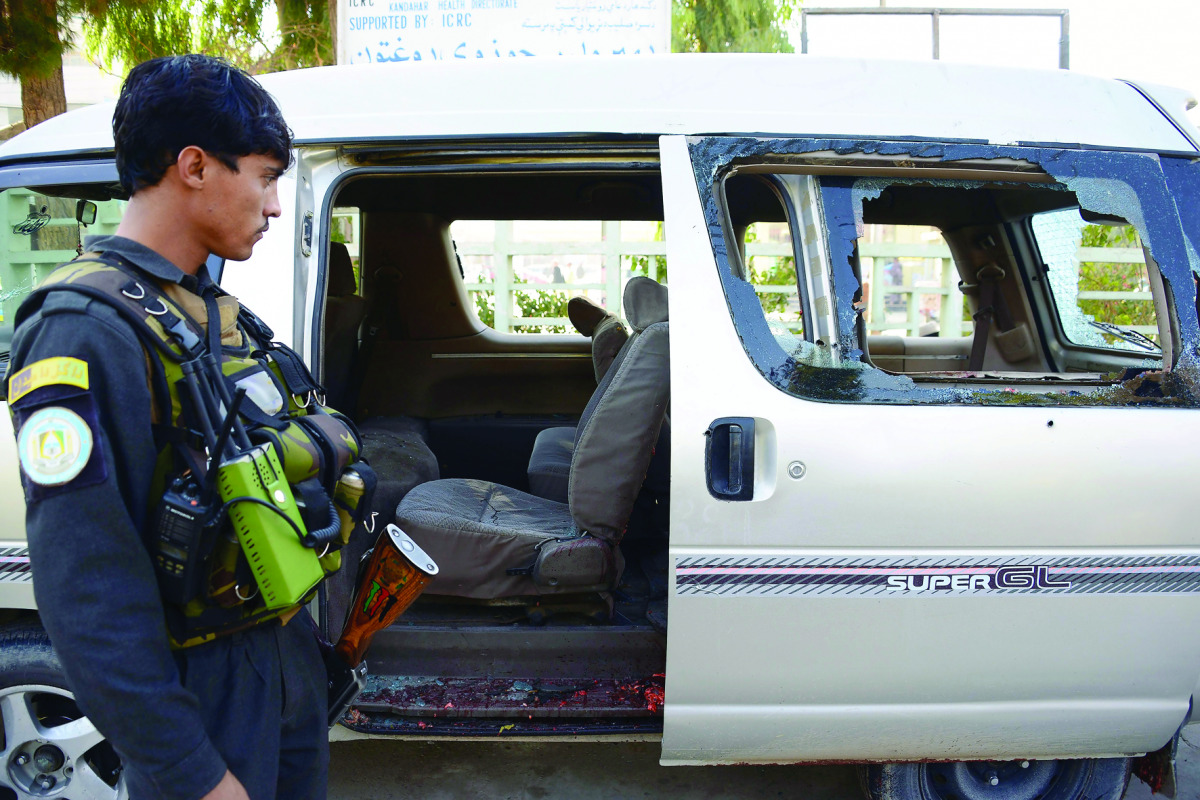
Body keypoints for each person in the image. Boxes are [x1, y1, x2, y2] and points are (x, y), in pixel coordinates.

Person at [7, 56, 330, 800]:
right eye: (264, 175)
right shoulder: (80, 333)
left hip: (277, 666)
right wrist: (193, 773)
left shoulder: (212, 312)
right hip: (201, 697)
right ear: (193, 166)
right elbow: (89, 594)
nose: (275, 205)